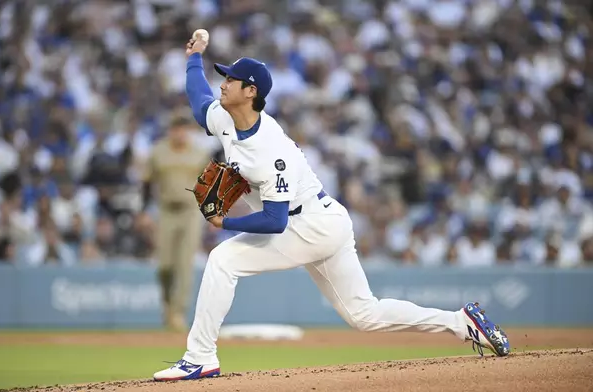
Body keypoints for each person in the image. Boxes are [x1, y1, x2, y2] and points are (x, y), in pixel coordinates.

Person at [153, 31, 510, 381]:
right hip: (324, 219)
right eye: (225, 77)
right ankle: (461, 322)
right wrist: (194, 58)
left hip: (308, 225)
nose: (224, 83)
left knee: (222, 260)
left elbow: (276, 221)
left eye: (231, 79)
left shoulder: (270, 150)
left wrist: (226, 223)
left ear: (251, 92)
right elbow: (199, 101)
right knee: (364, 314)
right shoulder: (225, 119)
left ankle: (200, 358)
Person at [142, 113, 211, 331]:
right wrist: (143, 211)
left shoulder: (199, 153)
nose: (180, 132)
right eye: (176, 128)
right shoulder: (158, 152)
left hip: (190, 211)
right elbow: (145, 183)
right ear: (170, 130)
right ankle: (167, 306)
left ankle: (178, 313)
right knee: (164, 266)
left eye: (184, 128)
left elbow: (209, 185)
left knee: (184, 265)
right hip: (165, 211)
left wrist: (212, 212)